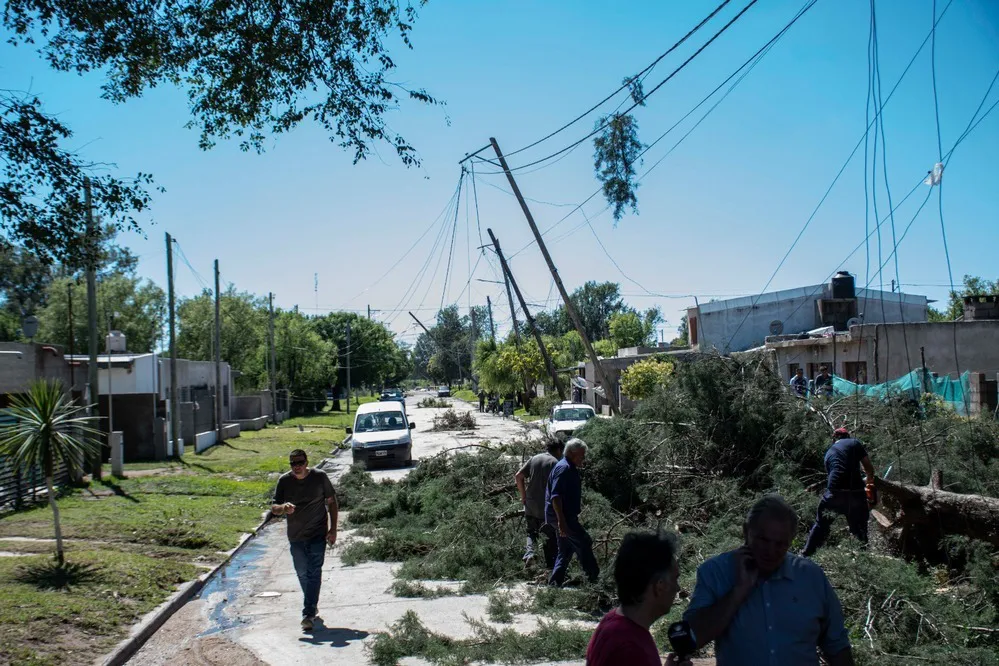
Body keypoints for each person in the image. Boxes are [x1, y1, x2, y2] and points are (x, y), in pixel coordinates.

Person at [684, 495, 854, 666]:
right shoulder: (716, 572)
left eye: (780, 544)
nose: (770, 551)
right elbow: (691, 639)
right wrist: (738, 591)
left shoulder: (811, 577)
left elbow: (837, 646)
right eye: (763, 540)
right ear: (746, 532)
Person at [586, 531, 692, 666]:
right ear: (659, 586)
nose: (678, 588)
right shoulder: (631, 651)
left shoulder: (612, 620)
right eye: (675, 579)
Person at [270, 449, 339, 631]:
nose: (297, 466)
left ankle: (308, 613)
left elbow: (331, 502)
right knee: (302, 572)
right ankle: (311, 602)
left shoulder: (319, 477)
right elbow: (274, 508)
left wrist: (333, 529)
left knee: (314, 571)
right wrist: (283, 507)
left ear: (307, 462)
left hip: (317, 533)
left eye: (300, 462)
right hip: (295, 536)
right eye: (293, 463)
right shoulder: (284, 481)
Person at [801, 428, 876, 556]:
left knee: (821, 526)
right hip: (855, 494)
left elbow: (836, 475)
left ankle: (805, 556)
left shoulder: (829, 453)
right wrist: (869, 483)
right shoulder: (854, 442)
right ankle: (863, 560)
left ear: (834, 439)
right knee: (860, 530)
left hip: (834, 494)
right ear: (847, 436)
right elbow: (868, 467)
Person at [545, 438, 600, 586]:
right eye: (582, 455)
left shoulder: (567, 466)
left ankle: (554, 585)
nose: (584, 458)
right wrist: (561, 522)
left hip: (562, 517)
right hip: (563, 517)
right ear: (571, 453)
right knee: (584, 543)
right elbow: (555, 496)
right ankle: (595, 584)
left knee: (565, 550)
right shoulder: (565, 468)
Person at [515, 439, 563, 570]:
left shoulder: (535, 458)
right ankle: (550, 569)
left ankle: (530, 554)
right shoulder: (556, 463)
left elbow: (518, 476)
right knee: (548, 537)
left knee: (531, 532)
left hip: (530, 504)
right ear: (559, 450)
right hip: (546, 507)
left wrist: (523, 496)